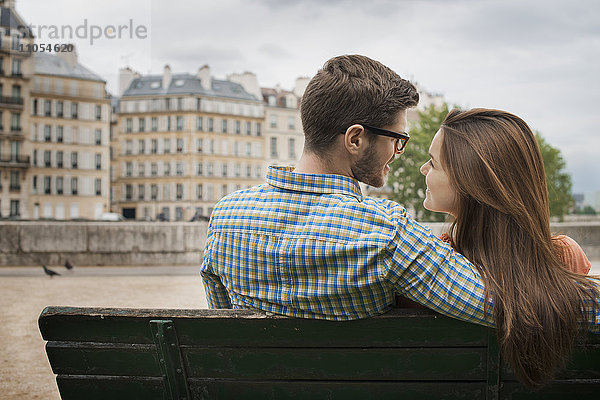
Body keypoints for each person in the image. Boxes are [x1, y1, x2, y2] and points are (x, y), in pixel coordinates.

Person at [200, 55, 600, 381]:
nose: (400, 154)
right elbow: (508, 305)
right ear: (356, 139)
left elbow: (223, 329)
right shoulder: (384, 234)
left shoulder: (225, 217)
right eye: (398, 140)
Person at [419, 108, 599, 386]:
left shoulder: (432, 266)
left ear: (470, 182)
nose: (423, 169)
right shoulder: (566, 256)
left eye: (432, 163)